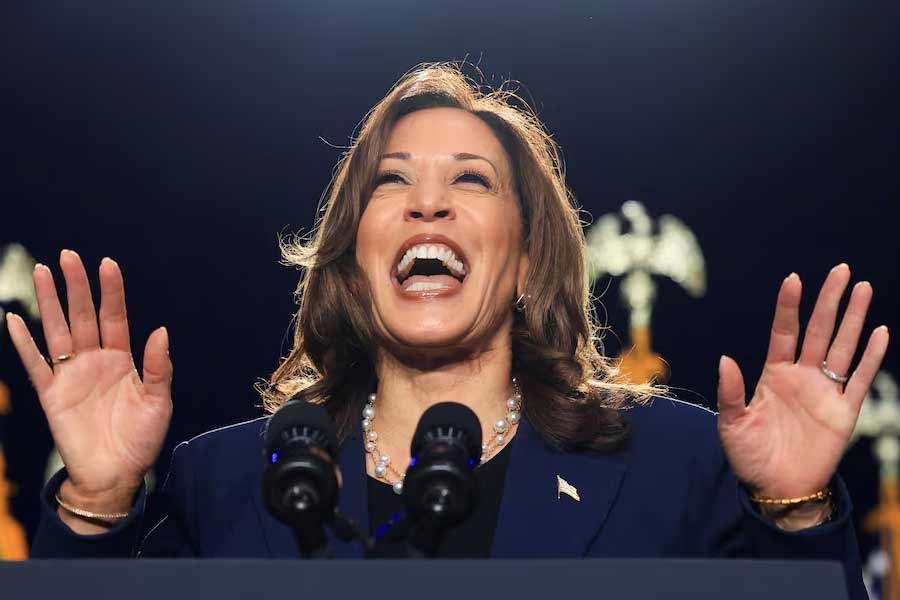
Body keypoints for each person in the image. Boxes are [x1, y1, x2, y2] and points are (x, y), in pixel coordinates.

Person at [5, 63, 888, 598]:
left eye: (470, 179)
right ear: (354, 258)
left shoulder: (674, 465)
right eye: (391, 182)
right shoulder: (227, 481)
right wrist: (96, 504)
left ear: (528, 261)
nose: (427, 201)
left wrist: (796, 511)